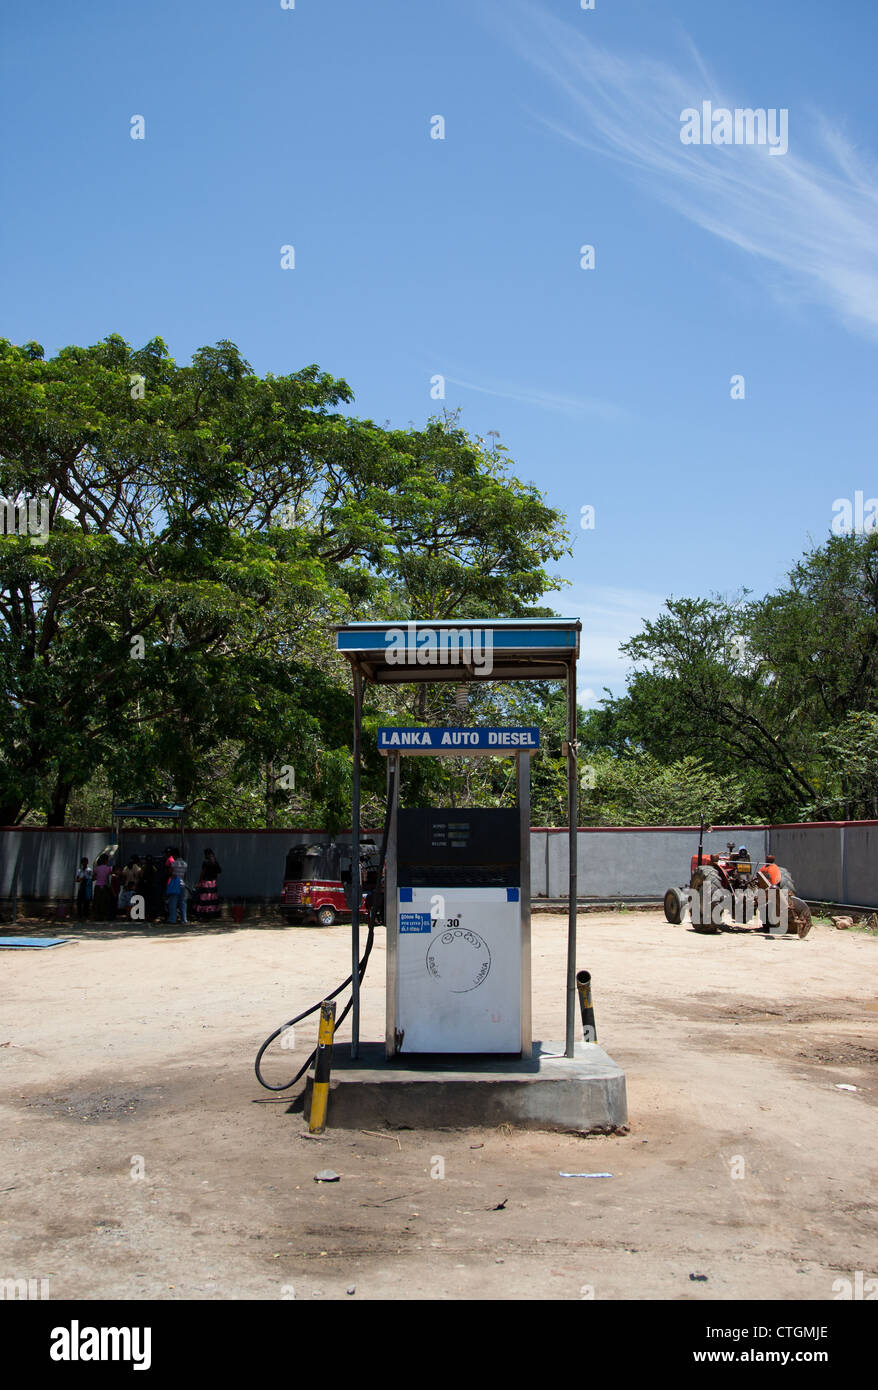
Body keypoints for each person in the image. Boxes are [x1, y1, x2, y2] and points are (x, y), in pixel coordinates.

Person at [195, 849, 222, 920]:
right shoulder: (216, 863)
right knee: (212, 898)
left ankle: (204, 914)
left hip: (206, 883)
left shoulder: (205, 862)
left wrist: (199, 882)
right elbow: (219, 871)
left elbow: (203, 873)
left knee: (204, 899)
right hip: (213, 883)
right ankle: (212, 914)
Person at [92, 854, 114, 920]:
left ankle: (96, 916)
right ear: (106, 860)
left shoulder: (96, 869)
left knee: (97, 901)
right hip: (105, 887)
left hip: (97, 886)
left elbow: (93, 878)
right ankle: (103, 916)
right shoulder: (109, 868)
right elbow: (110, 877)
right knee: (104, 902)